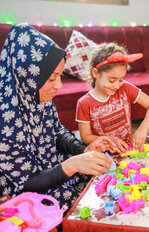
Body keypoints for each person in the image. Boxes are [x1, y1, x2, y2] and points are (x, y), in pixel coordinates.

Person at [0, 24, 118, 209]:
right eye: (52, 78)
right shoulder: (4, 122)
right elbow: (25, 184)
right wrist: (71, 165)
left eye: (60, 76)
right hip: (27, 193)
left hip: (53, 170)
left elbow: (57, 132)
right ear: (28, 75)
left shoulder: (37, 97)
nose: (59, 86)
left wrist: (82, 150)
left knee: (109, 182)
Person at [76, 43, 149, 154]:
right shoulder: (84, 103)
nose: (117, 85)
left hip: (127, 150)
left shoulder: (125, 88)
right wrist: (111, 140)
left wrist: (143, 129)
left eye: (121, 80)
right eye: (111, 80)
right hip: (103, 154)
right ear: (95, 73)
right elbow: (86, 136)